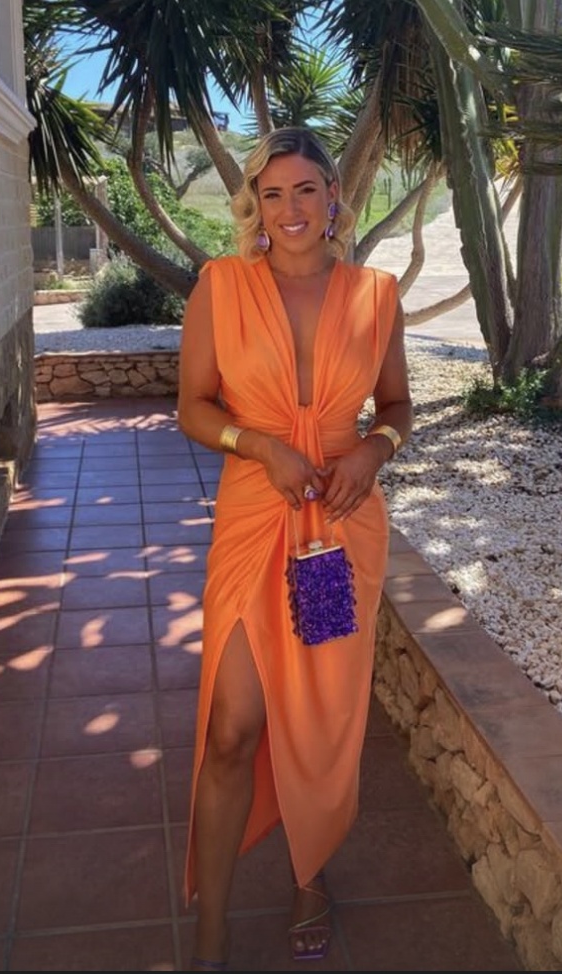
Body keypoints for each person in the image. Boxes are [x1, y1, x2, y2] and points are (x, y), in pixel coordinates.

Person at [177, 125, 413, 971]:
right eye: (271, 194)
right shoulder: (222, 286)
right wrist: (257, 444)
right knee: (232, 726)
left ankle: (309, 875)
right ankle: (210, 925)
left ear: (333, 197)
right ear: (255, 204)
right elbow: (193, 406)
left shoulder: (375, 293)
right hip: (254, 519)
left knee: (317, 716)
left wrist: (373, 450)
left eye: (304, 189)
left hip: (337, 532)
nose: (288, 209)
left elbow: (396, 407)